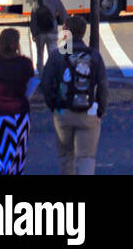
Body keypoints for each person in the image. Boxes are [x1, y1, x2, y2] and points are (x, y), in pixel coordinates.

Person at [41, 14, 108, 175]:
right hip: (88, 111)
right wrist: (99, 110)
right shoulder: (93, 55)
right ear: (84, 31)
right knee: (86, 157)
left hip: (62, 111)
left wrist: (53, 106)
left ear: (66, 31)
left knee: (66, 156)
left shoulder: (58, 55)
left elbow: (46, 84)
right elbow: (103, 86)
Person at [0, 27, 37, 175]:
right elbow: (31, 83)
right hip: (19, 114)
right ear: (17, 44)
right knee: (18, 157)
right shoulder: (25, 63)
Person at [30, 0, 66, 71]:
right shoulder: (56, 0)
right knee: (53, 54)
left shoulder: (37, 0)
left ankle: (41, 75)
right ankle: (52, 74)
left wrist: (34, 33)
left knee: (40, 55)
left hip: (39, 32)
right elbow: (64, 16)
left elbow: (33, 18)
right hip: (52, 30)